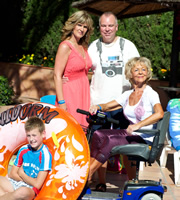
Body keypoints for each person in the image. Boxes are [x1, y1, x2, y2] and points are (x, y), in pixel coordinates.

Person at [88, 57, 164, 188]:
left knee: (111, 140)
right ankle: (90, 173)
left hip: (145, 136)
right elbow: (109, 106)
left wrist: (137, 125)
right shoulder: (128, 94)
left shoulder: (151, 93)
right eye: (136, 69)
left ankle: (87, 175)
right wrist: (98, 107)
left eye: (143, 69)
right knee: (99, 134)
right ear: (130, 74)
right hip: (132, 134)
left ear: (147, 74)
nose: (140, 72)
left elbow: (159, 113)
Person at [87, 11, 140, 191]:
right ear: (99, 28)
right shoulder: (93, 47)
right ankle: (101, 182)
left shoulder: (128, 46)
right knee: (98, 146)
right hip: (98, 104)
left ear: (116, 27)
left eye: (110, 25)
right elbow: (82, 70)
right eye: (103, 26)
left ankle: (132, 184)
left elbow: (139, 72)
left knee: (127, 146)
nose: (107, 29)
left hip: (122, 107)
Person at [54, 10, 94, 127]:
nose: (82, 29)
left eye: (85, 27)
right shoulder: (65, 46)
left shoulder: (83, 46)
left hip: (83, 92)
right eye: (79, 25)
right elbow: (57, 75)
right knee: (70, 129)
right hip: (70, 94)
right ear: (73, 25)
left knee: (83, 129)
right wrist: (62, 102)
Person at [0, 116, 52, 200]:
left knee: (22, 192)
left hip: (29, 189)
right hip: (16, 183)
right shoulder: (24, 149)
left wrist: (21, 173)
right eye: (28, 135)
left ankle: (8, 196)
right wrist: (25, 178)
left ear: (43, 134)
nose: (31, 139)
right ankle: (8, 197)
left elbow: (37, 184)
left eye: (34, 135)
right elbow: (12, 174)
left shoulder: (45, 154)